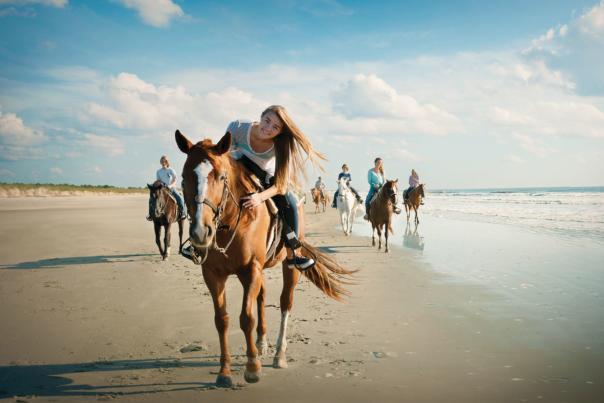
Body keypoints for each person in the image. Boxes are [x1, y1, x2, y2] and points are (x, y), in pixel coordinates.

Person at [226, 105, 325, 270]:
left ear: (280, 132)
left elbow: (281, 185)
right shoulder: (237, 127)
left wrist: (259, 197)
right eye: (267, 121)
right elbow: (223, 155)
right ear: (261, 116)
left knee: (292, 204)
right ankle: (197, 243)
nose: (268, 128)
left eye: (275, 127)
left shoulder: (281, 144)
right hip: (238, 169)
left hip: (267, 177)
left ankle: (294, 254)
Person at [147, 155, 187, 221]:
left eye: (164, 161)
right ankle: (150, 214)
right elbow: (159, 180)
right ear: (160, 162)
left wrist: (170, 186)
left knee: (180, 198)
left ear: (167, 162)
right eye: (162, 161)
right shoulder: (158, 171)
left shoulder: (171, 170)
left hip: (171, 188)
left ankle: (183, 212)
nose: (163, 162)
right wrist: (154, 184)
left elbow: (174, 180)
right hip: (162, 188)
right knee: (152, 199)